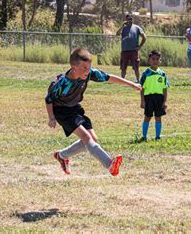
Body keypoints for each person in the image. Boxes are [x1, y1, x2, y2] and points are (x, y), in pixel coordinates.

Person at [45, 47, 141, 176]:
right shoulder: (61, 82)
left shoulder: (89, 74)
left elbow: (109, 77)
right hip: (62, 111)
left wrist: (132, 84)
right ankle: (110, 164)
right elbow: (49, 99)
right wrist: (51, 117)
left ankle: (61, 155)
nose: (87, 70)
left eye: (89, 67)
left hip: (75, 108)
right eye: (84, 68)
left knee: (92, 139)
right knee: (86, 137)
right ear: (74, 67)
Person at [139, 50, 169, 142]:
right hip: (149, 98)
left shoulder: (162, 74)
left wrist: (165, 101)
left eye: (157, 59)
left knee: (158, 117)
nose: (155, 61)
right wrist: (142, 100)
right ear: (149, 60)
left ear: (160, 60)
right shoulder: (146, 73)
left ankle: (158, 136)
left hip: (159, 98)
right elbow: (142, 88)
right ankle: (144, 136)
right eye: (153, 59)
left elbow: (165, 88)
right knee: (147, 117)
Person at [116, 14, 147, 82]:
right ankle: (123, 80)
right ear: (126, 20)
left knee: (136, 67)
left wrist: (140, 46)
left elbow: (144, 37)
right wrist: (122, 26)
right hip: (124, 50)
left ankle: (138, 80)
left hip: (134, 51)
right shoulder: (123, 28)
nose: (130, 20)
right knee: (123, 67)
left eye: (131, 19)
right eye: (128, 19)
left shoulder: (137, 28)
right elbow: (117, 34)